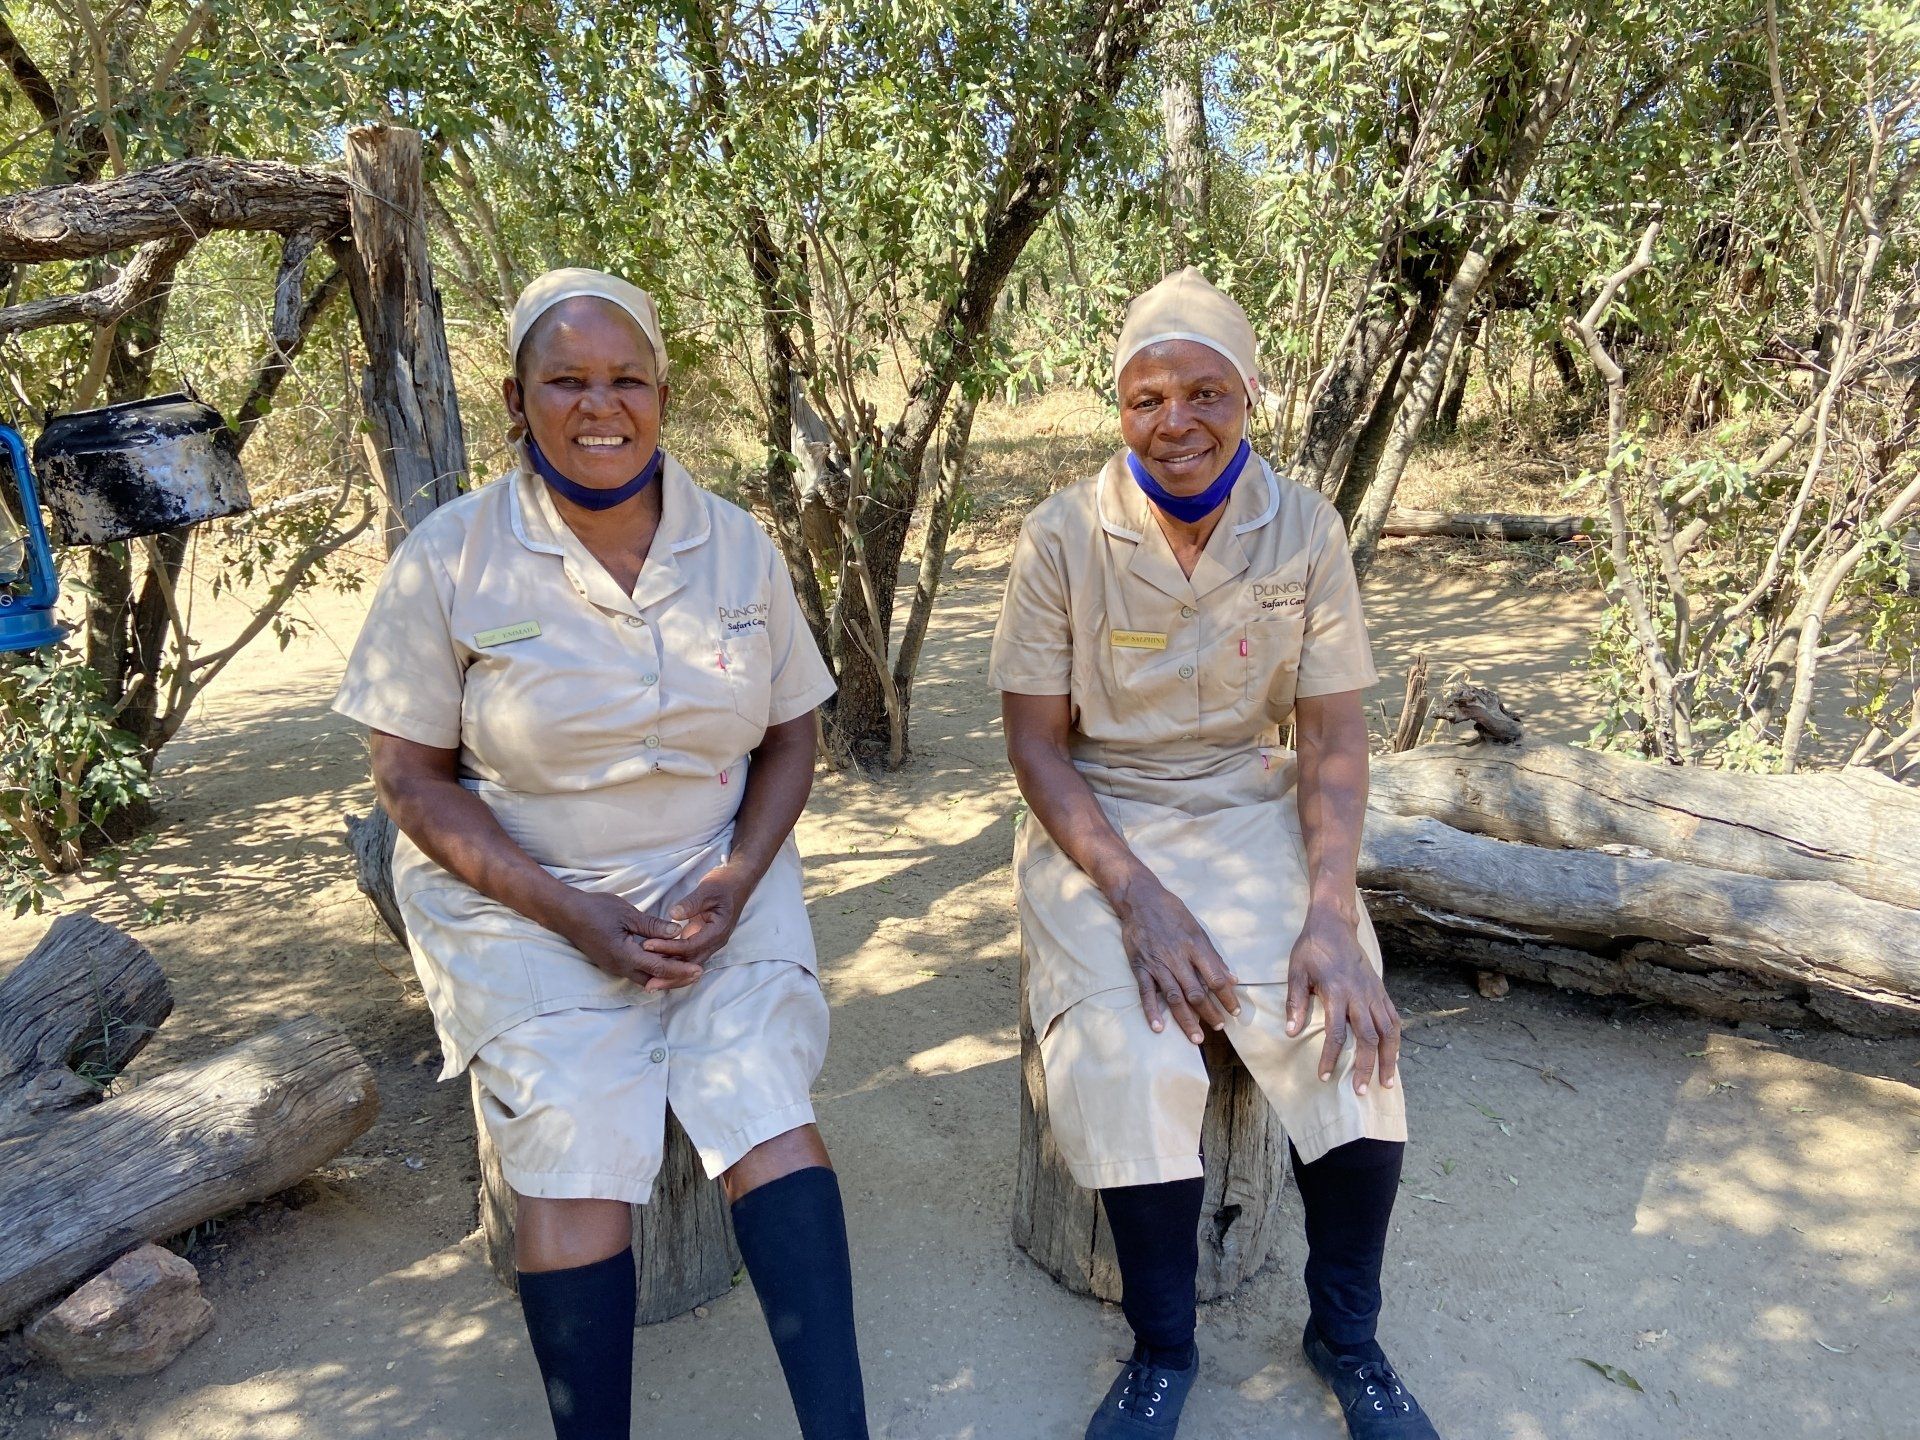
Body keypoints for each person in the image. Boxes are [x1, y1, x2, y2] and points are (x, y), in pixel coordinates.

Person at [333, 268, 868, 1440]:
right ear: (516, 397)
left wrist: (736, 875)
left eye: (626, 378)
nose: (599, 404)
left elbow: (790, 736)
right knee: (573, 1131)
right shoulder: (450, 557)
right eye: (565, 380)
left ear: (664, 394)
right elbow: (410, 778)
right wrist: (566, 910)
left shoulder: (737, 547)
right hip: (519, 894)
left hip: (713, 875)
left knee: (761, 1093)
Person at [990, 268, 1439, 1439]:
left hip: (1251, 802)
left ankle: (1347, 1333)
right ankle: (1161, 1351)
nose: (1175, 422)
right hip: (1101, 820)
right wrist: (1134, 898)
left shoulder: (1305, 528)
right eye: (1146, 398)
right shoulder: (1060, 537)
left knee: (1344, 1032)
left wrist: (1332, 913)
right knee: (1133, 1054)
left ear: (1249, 395)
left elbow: (1332, 730)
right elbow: (1036, 750)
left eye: (1204, 392)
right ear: (1118, 407)